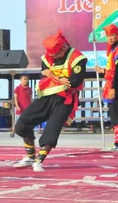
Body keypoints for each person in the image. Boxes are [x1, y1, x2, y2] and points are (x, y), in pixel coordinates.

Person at [13, 30, 87, 171]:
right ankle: (30, 156)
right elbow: (45, 78)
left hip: (66, 99)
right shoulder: (47, 58)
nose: (54, 57)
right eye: (52, 55)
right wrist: (58, 78)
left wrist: (53, 76)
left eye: (57, 54)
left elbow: (75, 81)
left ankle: (39, 160)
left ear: (63, 47)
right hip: (47, 96)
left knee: (52, 129)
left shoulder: (77, 58)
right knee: (23, 123)